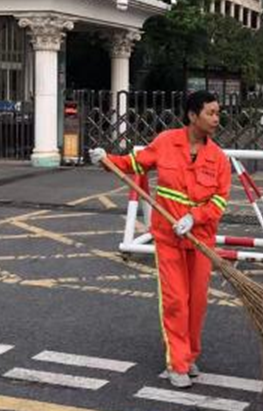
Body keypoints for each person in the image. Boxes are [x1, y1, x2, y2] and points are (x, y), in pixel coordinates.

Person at [89, 91, 231, 389]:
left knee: (197, 303)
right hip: (168, 237)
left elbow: (219, 201)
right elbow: (135, 164)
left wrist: (195, 217)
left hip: (201, 239)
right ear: (193, 116)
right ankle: (177, 363)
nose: (217, 119)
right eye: (211, 113)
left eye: (218, 113)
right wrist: (106, 160)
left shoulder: (218, 158)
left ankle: (190, 355)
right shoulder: (166, 142)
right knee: (176, 300)